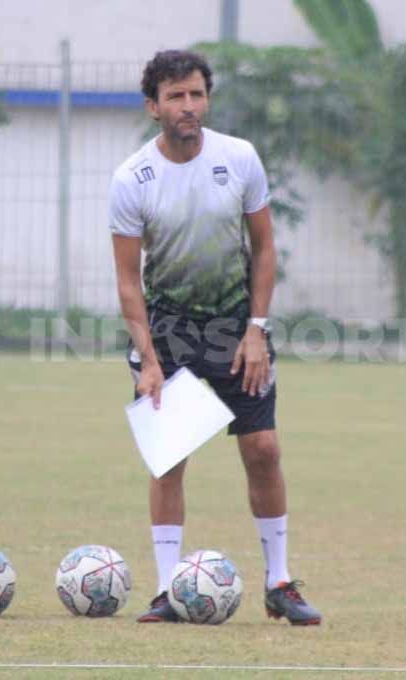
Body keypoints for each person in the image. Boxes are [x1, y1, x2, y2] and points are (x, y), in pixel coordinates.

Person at [108, 49, 321, 626]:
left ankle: (279, 582)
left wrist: (257, 329)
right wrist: (147, 359)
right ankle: (167, 591)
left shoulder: (240, 157)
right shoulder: (132, 178)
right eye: (175, 96)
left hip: (234, 322)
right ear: (153, 107)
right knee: (169, 458)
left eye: (197, 94)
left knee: (263, 449)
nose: (189, 106)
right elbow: (129, 280)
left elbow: (265, 248)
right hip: (168, 322)